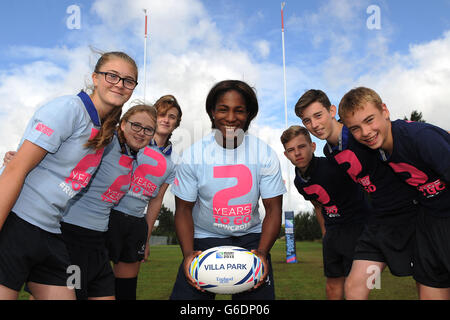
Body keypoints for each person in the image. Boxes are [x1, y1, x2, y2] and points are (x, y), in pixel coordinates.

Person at [0, 51, 138, 300]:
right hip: (16, 224)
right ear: (95, 78)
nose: (120, 84)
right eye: (112, 76)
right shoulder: (68, 109)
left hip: (51, 231)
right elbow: (14, 170)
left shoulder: (103, 133)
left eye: (128, 81)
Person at [294, 89, 420, 300]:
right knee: (354, 288)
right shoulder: (329, 152)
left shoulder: (360, 134)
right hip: (378, 219)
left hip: (411, 214)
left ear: (332, 111)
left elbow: (403, 136)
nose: (314, 125)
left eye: (318, 115)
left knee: (429, 281)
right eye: (307, 121)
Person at [169, 80, 286, 300]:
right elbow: (183, 210)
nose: (231, 118)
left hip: (251, 239)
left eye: (239, 110)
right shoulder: (193, 155)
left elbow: (273, 210)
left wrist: (262, 253)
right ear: (212, 112)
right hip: (205, 237)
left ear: (248, 114)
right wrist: (188, 255)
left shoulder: (264, 154)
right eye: (223, 109)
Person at [338, 87, 450, 300]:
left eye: (370, 120)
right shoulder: (378, 151)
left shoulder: (419, 137)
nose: (366, 132)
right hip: (430, 225)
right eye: (356, 128)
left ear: (385, 111)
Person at [280, 125, 370, 299]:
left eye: (301, 146)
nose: (297, 153)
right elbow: (318, 205)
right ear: (286, 155)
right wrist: (325, 233)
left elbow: (362, 184)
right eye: (291, 150)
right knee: (332, 286)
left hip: (356, 229)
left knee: (355, 287)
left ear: (312, 146)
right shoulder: (299, 181)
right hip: (333, 233)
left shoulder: (333, 165)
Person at [107, 95, 182, 300]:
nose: (166, 120)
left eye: (172, 117)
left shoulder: (173, 161)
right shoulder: (132, 140)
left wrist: (146, 239)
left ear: (176, 124)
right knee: (94, 281)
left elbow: (156, 200)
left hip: (135, 223)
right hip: (107, 215)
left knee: (126, 289)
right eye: (162, 114)